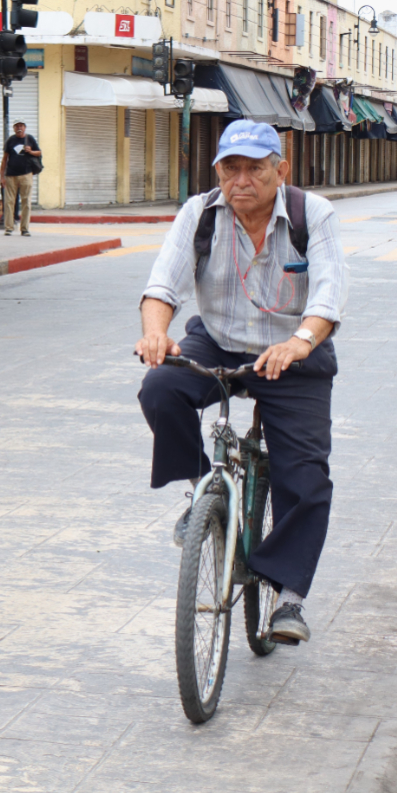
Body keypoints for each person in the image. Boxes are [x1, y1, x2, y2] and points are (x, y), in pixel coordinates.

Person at [135, 120, 347, 644]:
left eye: (255, 168)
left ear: (281, 170)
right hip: (221, 338)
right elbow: (163, 283)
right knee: (160, 388)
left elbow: (328, 294)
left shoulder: (311, 215)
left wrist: (299, 343)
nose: (241, 180)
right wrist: (156, 335)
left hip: (292, 350)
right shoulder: (200, 213)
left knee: (306, 474)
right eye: (231, 168)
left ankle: (289, 597)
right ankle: (202, 493)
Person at [0, 121, 41, 237]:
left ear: (25, 128)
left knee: (26, 202)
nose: (19, 128)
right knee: (9, 202)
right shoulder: (10, 140)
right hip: (11, 175)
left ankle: (25, 228)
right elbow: (4, 159)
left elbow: (39, 153)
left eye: (21, 126)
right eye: (17, 126)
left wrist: (31, 151)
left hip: (26, 174)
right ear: (13, 128)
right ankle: (9, 228)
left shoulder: (30, 139)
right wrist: (2, 176)